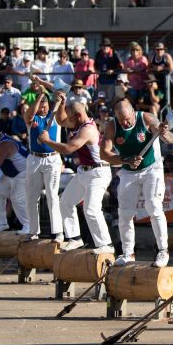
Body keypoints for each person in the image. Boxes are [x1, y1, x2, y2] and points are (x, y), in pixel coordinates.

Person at [100, 100, 173, 267]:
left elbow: (170, 139)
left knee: (154, 206)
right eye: (121, 120)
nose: (125, 123)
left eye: (127, 119)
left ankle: (163, 251)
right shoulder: (112, 127)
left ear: (133, 112)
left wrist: (163, 132)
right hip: (128, 171)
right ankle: (128, 253)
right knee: (125, 213)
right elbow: (104, 154)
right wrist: (125, 160)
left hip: (151, 168)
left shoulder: (146, 118)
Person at [38, 97, 114, 254]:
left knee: (91, 210)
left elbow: (67, 149)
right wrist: (62, 103)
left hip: (98, 172)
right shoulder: (78, 122)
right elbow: (60, 120)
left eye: (71, 118)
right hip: (84, 172)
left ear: (78, 116)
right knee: (65, 203)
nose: (69, 121)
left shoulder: (87, 129)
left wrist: (47, 141)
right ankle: (75, 238)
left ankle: (106, 244)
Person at [23, 91, 64, 243]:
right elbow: (28, 114)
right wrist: (39, 96)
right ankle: (34, 231)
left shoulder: (54, 117)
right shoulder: (32, 118)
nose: (43, 109)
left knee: (52, 195)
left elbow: (61, 113)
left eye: (45, 106)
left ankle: (58, 232)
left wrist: (59, 100)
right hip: (34, 158)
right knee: (31, 197)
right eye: (41, 106)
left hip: (52, 159)